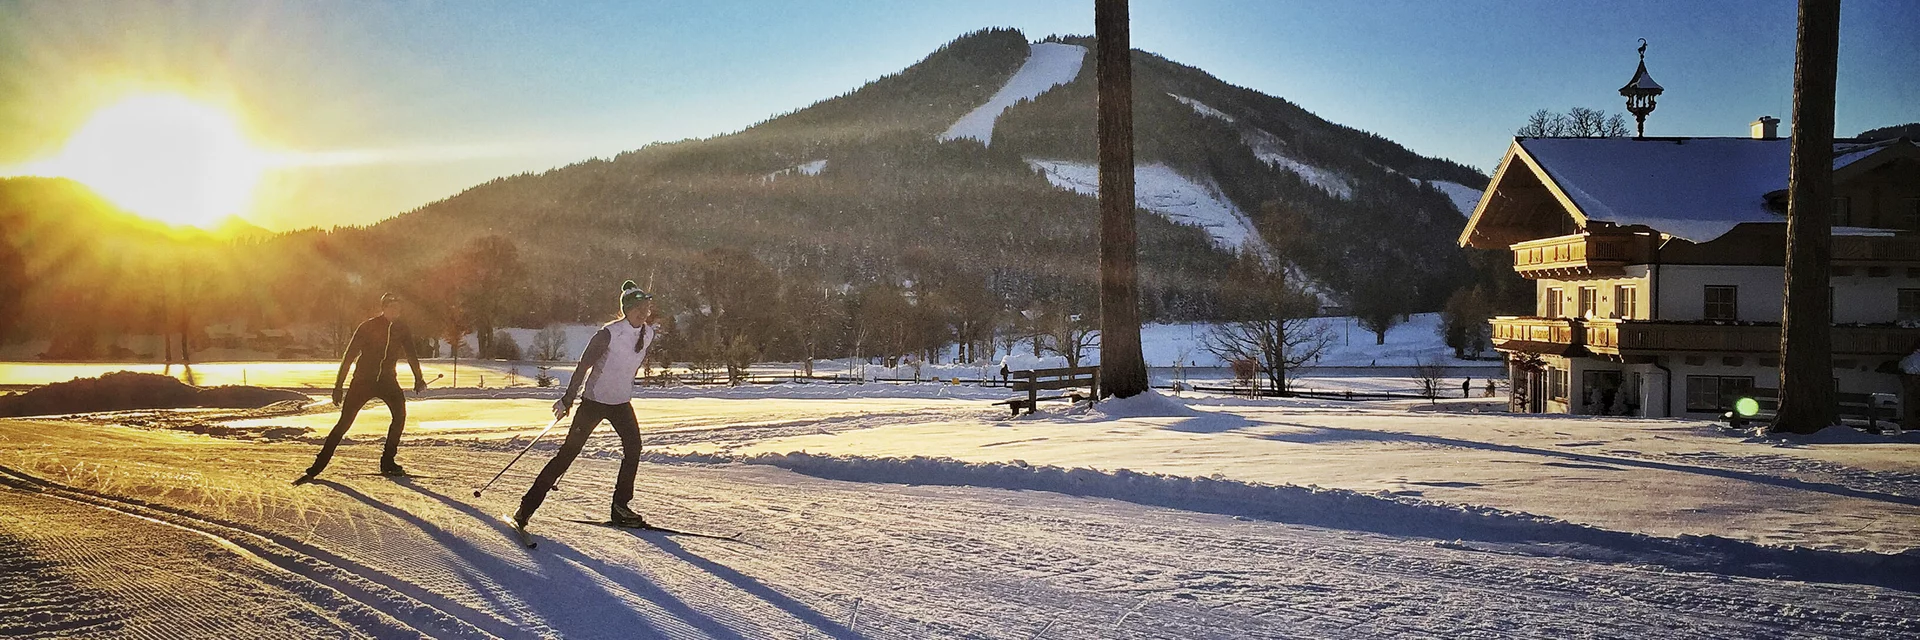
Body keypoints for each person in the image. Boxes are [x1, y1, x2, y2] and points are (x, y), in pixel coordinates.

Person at [513, 280, 659, 530]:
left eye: (645, 308)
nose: (643, 313)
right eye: (637, 308)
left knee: (634, 449)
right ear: (626, 310)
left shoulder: (649, 333)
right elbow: (583, 366)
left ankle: (620, 508)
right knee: (567, 455)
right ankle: (526, 509)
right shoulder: (608, 334)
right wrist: (568, 398)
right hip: (593, 403)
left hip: (621, 403)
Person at [295, 293, 426, 484]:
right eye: (392, 307)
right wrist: (338, 386)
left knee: (400, 416)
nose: (396, 311)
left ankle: (388, 461)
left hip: (388, 381)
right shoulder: (368, 327)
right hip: (363, 382)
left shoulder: (402, 328)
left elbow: (411, 354)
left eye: (398, 307)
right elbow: (349, 356)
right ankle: (317, 466)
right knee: (344, 423)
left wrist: (418, 378)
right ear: (384, 307)